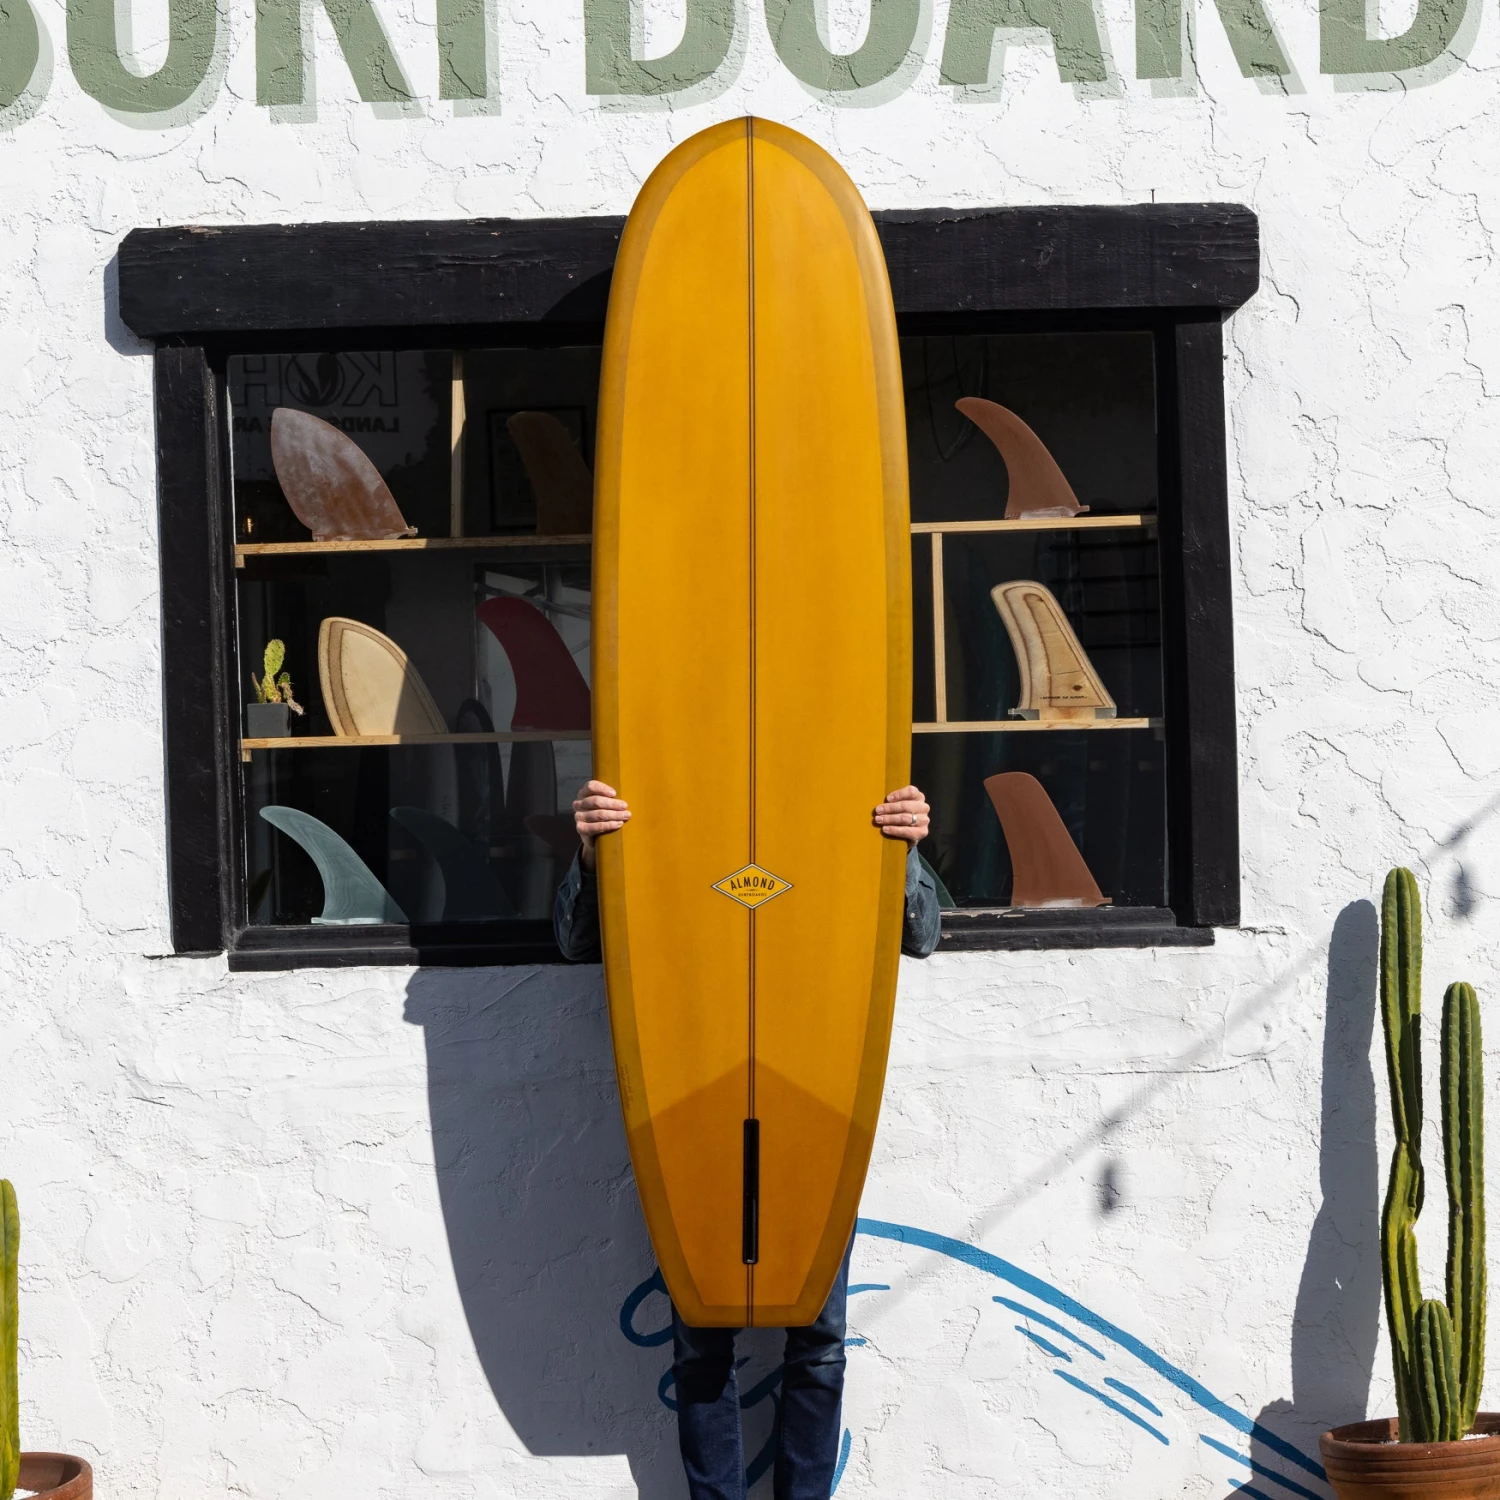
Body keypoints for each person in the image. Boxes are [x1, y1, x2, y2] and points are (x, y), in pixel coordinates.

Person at [553, 780, 940, 1500]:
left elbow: (920, 935)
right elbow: (575, 940)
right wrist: (592, 851)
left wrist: (906, 848)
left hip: (817, 1095)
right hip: (690, 1091)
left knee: (818, 1338)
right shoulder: (671, 782)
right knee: (703, 1330)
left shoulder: (841, 785)